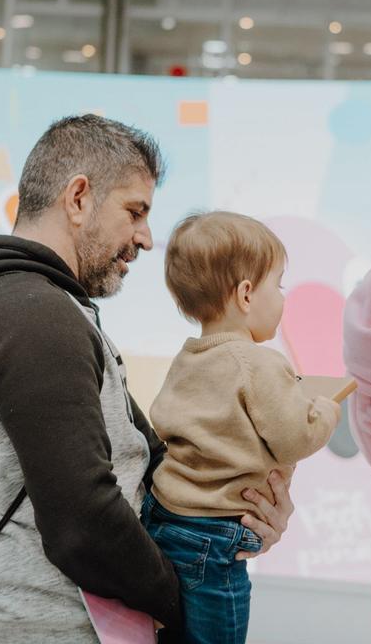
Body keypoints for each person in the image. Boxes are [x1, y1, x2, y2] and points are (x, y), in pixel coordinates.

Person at [0, 116, 294, 643]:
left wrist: (231, 514)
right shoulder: (33, 315)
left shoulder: (32, 307)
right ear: (78, 198)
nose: (146, 238)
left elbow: (142, 459)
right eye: (135, 212)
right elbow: (83, 522)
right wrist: (187, 599)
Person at [145, 211, 341, 644]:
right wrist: (326, 411)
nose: (283, 298)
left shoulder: (188, 358)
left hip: (163, 517)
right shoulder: (259, 363)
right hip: (215, 538)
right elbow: (294, 439)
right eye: (279, 285)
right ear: (247, 294)